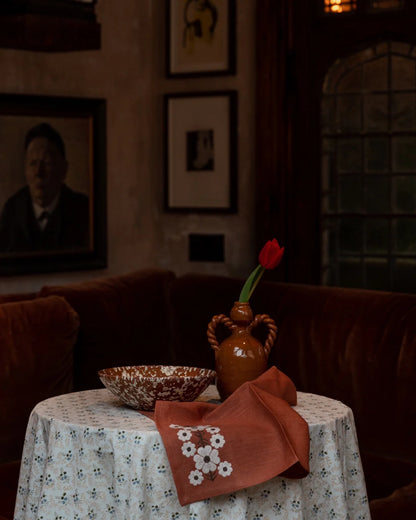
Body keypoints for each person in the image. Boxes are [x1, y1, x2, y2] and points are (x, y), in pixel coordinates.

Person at [0, 122, 90, 253]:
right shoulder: (12, 210)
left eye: (47, 163)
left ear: (64, 170)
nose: (38, 172)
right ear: (25, 170)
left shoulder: (83, 210)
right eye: (32, 163)